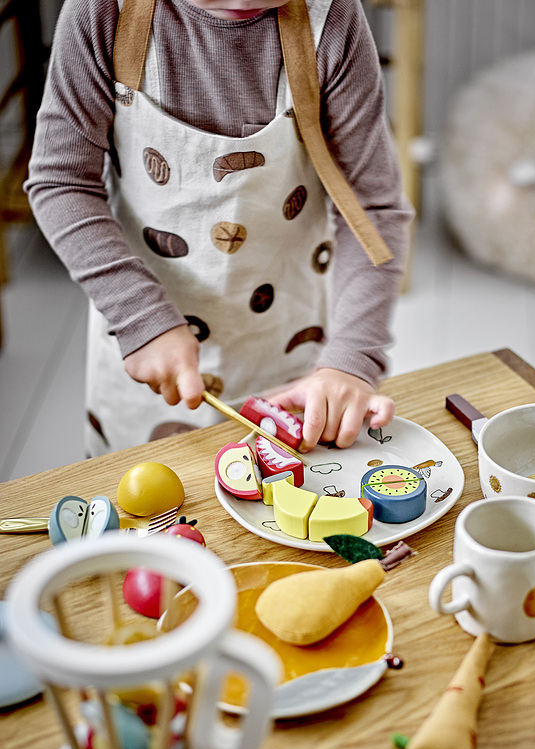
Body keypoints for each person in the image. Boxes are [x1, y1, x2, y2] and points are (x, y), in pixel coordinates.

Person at [26, 0, 413, 455]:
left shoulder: (330, 20)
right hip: (145, 341)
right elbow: (61, 182)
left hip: (289, 349)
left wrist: (351, 361)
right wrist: (138, 317)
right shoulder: (102, 11)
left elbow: (373, 209)